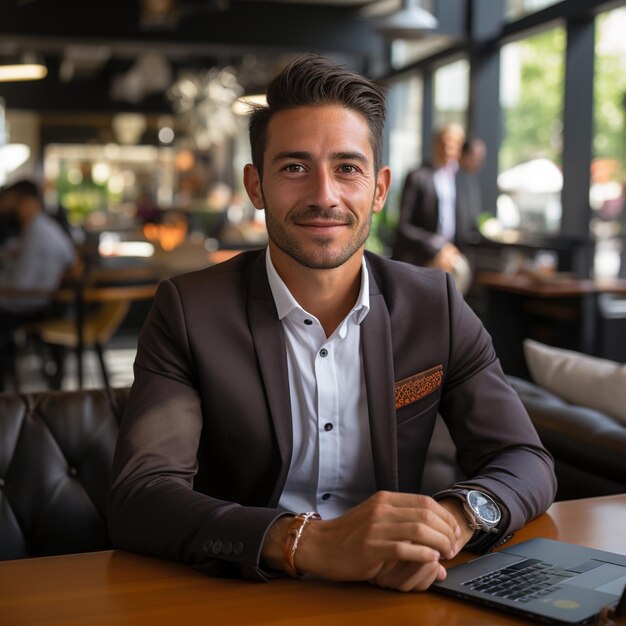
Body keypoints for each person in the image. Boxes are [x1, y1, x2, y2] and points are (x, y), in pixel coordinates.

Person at [108, 54, 556, 592]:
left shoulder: (434, 303)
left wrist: (454, 521)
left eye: (348, 168)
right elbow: (143, 495)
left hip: (400, 590)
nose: (325, 195)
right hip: (244, 591)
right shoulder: (189, 310)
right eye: (295, 167)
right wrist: (308, 543)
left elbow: (523, 458)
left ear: (379, 188)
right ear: (256, 186)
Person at [0, 179, 76, 390]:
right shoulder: (46, 227)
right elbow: (70, 257)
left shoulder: (35, 232)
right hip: (44, 301)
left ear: (25, 202)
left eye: (11, 201)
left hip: (29, 302)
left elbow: (21, 284)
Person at [392, 123, 466, 272]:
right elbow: (404, 226)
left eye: (454, 144)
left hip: (450, 259)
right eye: (445, 143)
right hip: (418, 260)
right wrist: (438, 247)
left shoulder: (462, 181)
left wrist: (450, 251)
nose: (448, 148)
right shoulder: (417, 177)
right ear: (436, 144)